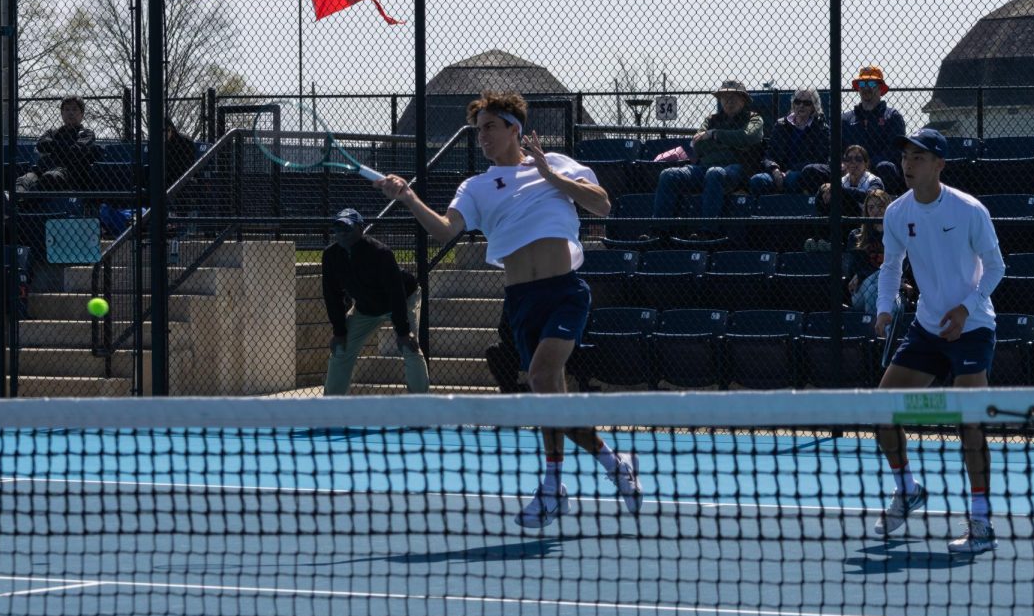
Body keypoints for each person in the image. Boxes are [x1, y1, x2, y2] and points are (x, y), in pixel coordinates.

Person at [375, 90, 643, 528]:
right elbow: (444, 231)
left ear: (513, 129)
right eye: (477, 129)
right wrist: (407, 197)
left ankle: (553, 485)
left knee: (540, 376)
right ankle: (613, 463)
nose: (481, 136)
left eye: (489, 128)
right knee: (551, 399)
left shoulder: (555, 163)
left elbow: (602, 204)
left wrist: (547, 174)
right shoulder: (475, 187)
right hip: (520, 301)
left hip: (565, 291)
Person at [871, 128, 1006, 555]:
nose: (910, 164)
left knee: (969, 421)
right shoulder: (896, 212)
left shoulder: (969, 210)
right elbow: (892, 266)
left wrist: (967, 307)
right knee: (882, 410)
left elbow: (996, 267)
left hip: (973, 326)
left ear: (940, 165)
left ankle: (981, 521)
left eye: (920, 157)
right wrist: (884, 309)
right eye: (907, 156)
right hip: (927, 327)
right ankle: (907, 488)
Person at [321, 208, 430, 396]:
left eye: (347, 228)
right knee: (340, 349)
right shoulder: (331, 256)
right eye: (338, 229)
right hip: (365, 307)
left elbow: (395, 293)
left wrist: (403, 331)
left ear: (361, 229)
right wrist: (339, 331)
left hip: (403, 299)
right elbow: (331, 295)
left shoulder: (380, 253)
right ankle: (331, 406)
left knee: (410, 348)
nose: (342, 234)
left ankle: (418, 406)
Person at [653, 79, 764, 240]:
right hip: (703, 168)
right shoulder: (711, 119)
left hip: (737, 169)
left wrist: (714, 135)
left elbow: (748, 136)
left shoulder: (754, 119)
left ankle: (707, 232)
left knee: (715, 173)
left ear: (743, 100)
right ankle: (659, 232)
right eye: (725, 96)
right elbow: (697, 145)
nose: (729, 100)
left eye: (734, 96)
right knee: (668, 175)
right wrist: (732, 143)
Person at [748, 88, 830, 196]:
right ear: (793, 104)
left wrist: (790, 171)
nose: (801, 105)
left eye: (807, 103)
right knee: (757, 180)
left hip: (802, 174)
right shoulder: (781, 125)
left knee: (792, 179)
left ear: (814, 107)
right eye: (797, 101)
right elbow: (769, 155)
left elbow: (819, 159)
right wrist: (775, 169)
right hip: (778, 173)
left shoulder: (821, 129)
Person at [842, 66, 906, 195]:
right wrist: (847, 164)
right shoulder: (845, 119)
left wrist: (864, 165)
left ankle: (882, 206)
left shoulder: (892, 116)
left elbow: (894, 152)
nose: (866, 87)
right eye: (862, 83)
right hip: (850, 169)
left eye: (871, 83)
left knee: (886, 167)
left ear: (880, 87)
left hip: (878, 169)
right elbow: (837, 149)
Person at [16, 97, 98, 192]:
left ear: (82, 114)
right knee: (23, 180)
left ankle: (24, 203)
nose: (70, 113)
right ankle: (14, 201)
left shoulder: (87, 133)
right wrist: (67, 145)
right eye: (67, 109)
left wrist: (53, 146)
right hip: (42, 168)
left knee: (50, 178)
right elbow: (41, 145)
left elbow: (76, 151)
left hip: (67, 172)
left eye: (75, 109)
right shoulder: (53, 132)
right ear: (62, 113)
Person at [846, 188, 892, 314]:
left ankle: (872, 331)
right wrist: (861, 275)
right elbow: (853, 269)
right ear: (866, 211)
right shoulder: (857, 236)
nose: (876, 211)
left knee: (874, 290)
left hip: (892, 289)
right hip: (861, 290)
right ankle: (878, 332)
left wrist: (862, 274)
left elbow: (904, 265)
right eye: (871, 208)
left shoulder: (897, 233)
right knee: (872, 289)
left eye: (881, 206)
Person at [816, 145, 885, 217]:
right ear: (845, 163)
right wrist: (825, 189)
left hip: (866, 222)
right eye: (848, 159)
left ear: (866, 163)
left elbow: (870, 197)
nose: (853, 162)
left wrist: (839, 189)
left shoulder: (874, 180)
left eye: (858, 159)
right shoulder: (842, 181)